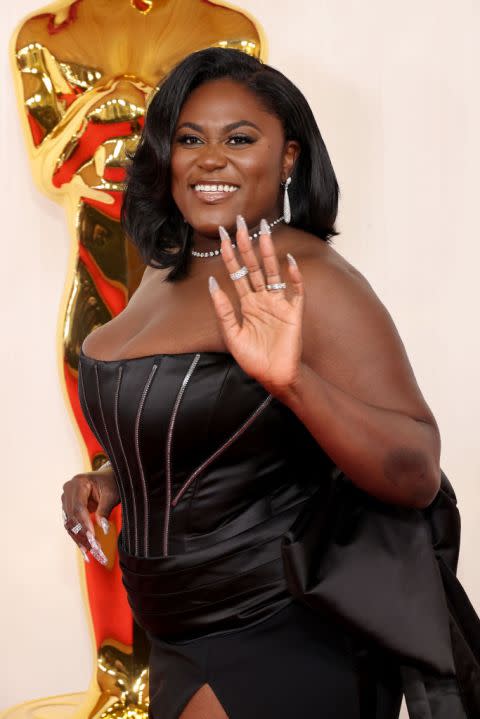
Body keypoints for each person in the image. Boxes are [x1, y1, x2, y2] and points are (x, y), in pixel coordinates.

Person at [61, 47, 442, 719]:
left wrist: (292, 379)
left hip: (277, 630)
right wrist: (113, 479)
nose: (211, 158)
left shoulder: (311, 278)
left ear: (289, 157)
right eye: (189, 139)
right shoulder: (164, 266)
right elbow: (216, 427)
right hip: (175, 634)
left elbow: (416, 471)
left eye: (240, 138)